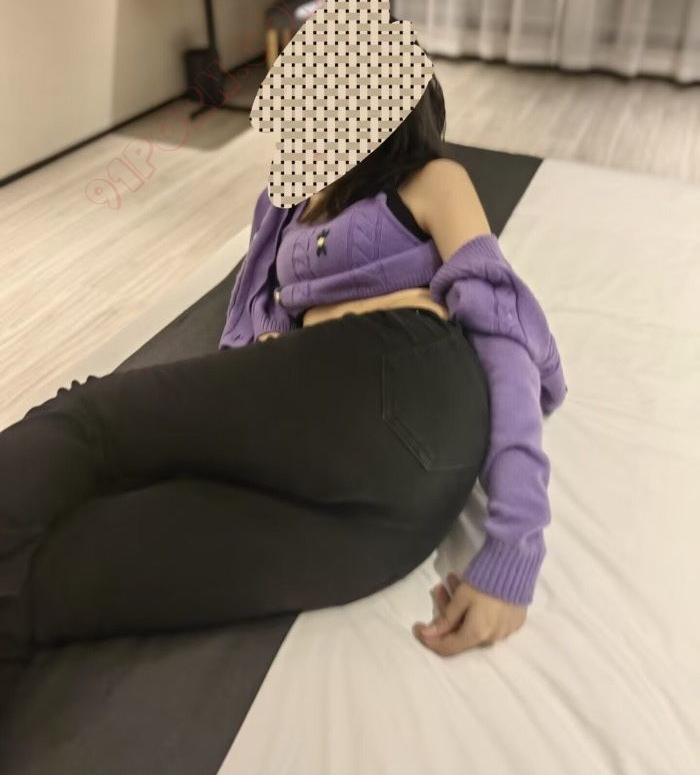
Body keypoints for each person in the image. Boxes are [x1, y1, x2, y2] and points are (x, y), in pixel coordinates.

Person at [0, 75, 567, 684]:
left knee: (89, 424)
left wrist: (517, 544)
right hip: (394, 517)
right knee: (51, 585)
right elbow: (267, 305)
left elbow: (502, 331)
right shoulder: (291, 201)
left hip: (398, 374)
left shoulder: (431, 179)